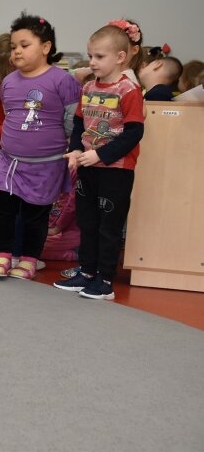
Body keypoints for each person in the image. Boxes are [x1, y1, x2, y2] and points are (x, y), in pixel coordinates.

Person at [0, 13, 81, 280]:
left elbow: (73, 120)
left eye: (24, 45)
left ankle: (29, 259)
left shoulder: (62, 81)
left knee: (34, 214)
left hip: (46, 164)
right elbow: (10, 114)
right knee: (1, 208)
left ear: (46, 47)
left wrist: (70, 150)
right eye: (14, 46)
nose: (17, 51)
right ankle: (2, 255)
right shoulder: (8, 82)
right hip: (9, 160)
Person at [53, 25, 145, 300]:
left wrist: (101, 155)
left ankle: (105, 281)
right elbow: (80, 123)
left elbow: (134, 132)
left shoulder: (129, 90)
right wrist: (74, 150)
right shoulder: (89, 87)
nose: (92, 62)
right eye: (91, 55)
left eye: (99, 57)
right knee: (87, 221)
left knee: (109, 226)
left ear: (120, 57)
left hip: (115, 171)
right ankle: (87, 271)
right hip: (87, 167)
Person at [40, 166, 79, 262]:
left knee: (29, 248)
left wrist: (56, 227)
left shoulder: (71, 170)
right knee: (26, 246)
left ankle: (78, 254)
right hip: (61, 230)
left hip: (73, 233)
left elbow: (70, 205)